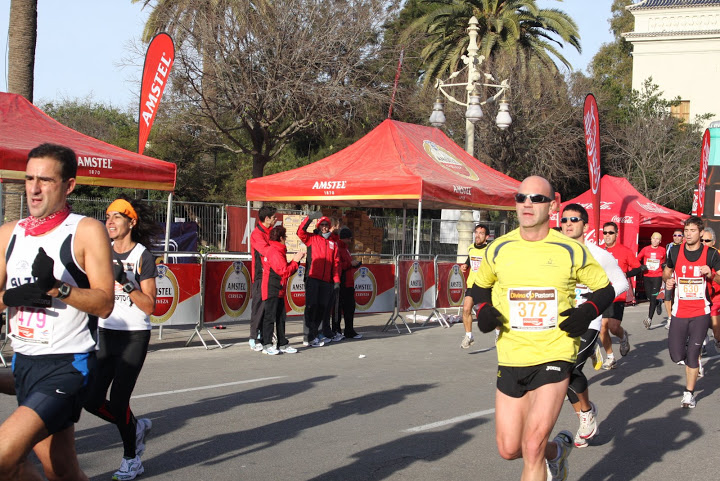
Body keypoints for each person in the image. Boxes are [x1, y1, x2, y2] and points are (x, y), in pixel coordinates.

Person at [473, 176, 614, 480]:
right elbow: (479, 286)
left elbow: (605, 290)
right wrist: (484, 310)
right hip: (512, 355)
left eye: (536, 199)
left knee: (532, 446)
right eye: (521, 197)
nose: (527, 203)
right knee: (509, 449)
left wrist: (586, 311)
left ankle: (546, 454)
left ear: (552, 206)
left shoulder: (569, 249)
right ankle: (559, 452)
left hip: (555, 352)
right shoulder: (499, 248)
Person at [0, 143, 115, 480]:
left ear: (69, 185)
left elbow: (105, 302)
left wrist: (57, 288)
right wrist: (13, 296)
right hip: (24, 363)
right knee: (62, 471)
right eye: (29, 179)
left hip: (69, 365)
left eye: (46, 180)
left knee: (4, 459)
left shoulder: (85, 231)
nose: (34, 189)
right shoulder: (9, 234)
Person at [84, 196, 160, 480]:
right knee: (91, 400)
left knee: (118, 401)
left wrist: (126, 282)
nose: (110, 221)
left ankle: (132, 458)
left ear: (131, 222)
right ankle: (136, 427)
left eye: (117, 216)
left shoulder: (142, 256)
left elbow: (150, 305)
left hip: (134, 335)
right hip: (106, 332)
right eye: (108, 216)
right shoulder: (101, 251)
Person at [560, 204, 628, 448]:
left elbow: (621, 283)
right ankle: (585, 416)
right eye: (564, 219)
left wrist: (596, 302)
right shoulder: (555, 252)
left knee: (569, 368)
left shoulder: (598, 254)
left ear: (586, 226)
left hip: (590, 320)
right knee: (561, 373)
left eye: (574, 219)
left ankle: (586, 414)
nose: (568, 223)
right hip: (561, 322)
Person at [663, 216, 720, 408]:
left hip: (701, 311)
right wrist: (668, 281)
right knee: (676, 355)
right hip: (680, 311)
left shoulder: (711, 254)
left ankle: (689, 393)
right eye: (686, 230)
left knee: (694, 353)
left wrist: (711, 274)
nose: (688, 234)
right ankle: (690, 359)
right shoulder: (676, 251)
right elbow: (667, 272)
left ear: (700, 232)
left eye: (692, 230)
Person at [599, 222, 647, 370]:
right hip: (602, 293)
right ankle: (610, 357)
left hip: (618, 294)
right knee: (602, 327)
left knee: (613, 327)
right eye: (605, 233)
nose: (607, 236)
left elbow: (639, 268)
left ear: (616, 234)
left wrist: (626, 274)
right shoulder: (599, 251)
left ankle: (622, 336)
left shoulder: (624, 251)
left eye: (610, 233)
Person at [298, 212, 340, 347]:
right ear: (318, 226)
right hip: (313, 279)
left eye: (326, 225)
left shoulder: (333, 243)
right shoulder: (312, 238)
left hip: (326, 282)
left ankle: (314, 335)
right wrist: (309, 219)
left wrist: (336, 280)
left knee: (321, 309)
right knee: (311, 307)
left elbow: (336, 264)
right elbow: (300, 232)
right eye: (322, 225)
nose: (324, 227)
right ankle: (308, 336)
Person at [260, 226, 305, 355]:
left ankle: (282, 343)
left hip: (278, 288)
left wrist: (294, 262)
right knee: (270, 317)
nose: (286, 239)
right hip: (271, 288)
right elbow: (284, 271)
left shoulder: (278, 250)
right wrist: (296, 261)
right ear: (281, 238)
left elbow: (284, 269)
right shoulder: (275, 251)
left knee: (280, 317)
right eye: (285, 237)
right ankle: (267, 344)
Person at [249, 206, 277, 352]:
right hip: (260, 275)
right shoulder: (256, 234)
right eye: (274, 217)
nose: (275, 219)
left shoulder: (271, 232)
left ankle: (265, 335)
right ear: (267, 219)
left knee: (268, 306)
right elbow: (266, 250)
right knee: (258, 306)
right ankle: (254, 337)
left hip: (271, 274)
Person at [459, 224, 489, 349]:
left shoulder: (489, 250)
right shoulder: (471, 248)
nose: (478, 235)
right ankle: (469, 336)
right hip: (472, 284)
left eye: (481, 233)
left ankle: (499, 334)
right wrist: (465, 265)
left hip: (486, 285)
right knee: (466, 309)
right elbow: (470, 260)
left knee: (490, 314)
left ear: (487, 237)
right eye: (476, 232)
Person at [334, 227, 362, 340]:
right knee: (340, 308)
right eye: (349, 239)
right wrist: (351, 263)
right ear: (345, 238)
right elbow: (339, 265)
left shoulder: (345, 248)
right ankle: (337, 330)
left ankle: (349, 330)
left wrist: (353, 264)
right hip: (343, 282)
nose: (351, 241)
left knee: (350, 308)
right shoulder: (339, 248)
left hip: (349, 282)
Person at [637, 232, 666, 329]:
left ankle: (649, 319)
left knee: (653, 298)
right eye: (654, 238)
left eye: (657, 239)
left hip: (657, 276)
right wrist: (641, 266)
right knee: (649, 297)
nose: (655, 240)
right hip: (647, 276)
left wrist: (664, 266)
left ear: (660, 241)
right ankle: (658, 302)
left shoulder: (662, 250)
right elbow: (637, 259)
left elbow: (666, 261)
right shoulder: (645, 249)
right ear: (651, 239)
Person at [702, 227, 720, 351]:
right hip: (698, 297)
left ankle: (717, 339)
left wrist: (711, 275)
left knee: (716, 329)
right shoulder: (693, 254)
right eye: (701, 240)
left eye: (707, 240)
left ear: (713, 242)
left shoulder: (717, 256)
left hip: (715, 298)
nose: (703, 243)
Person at [664, 228, 684, 329]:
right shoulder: (669, 246)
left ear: (683, 238)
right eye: (675, 235)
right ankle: (670, 318)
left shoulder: (684, 247)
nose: (676, 237)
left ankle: (678, 317)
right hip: (669, 273)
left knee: (677, 297)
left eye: (679, 235)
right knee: (667, 296)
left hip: (679, 274)